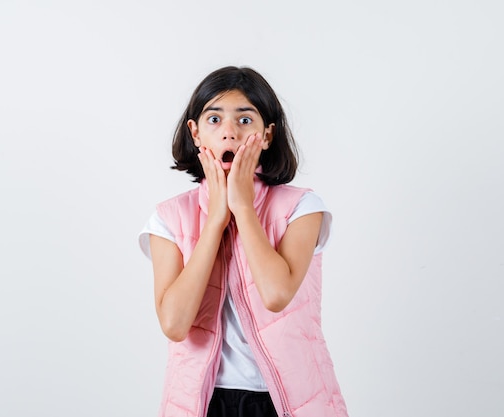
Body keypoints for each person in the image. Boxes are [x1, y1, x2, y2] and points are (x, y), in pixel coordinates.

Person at [138, 66, 348, 417]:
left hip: (288, 402)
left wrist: (243, 208)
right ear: (195, 133)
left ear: (267, 135)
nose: (230, 133)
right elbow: (174, 324)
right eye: (215, 119)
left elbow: (276, 294)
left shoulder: (302, 207)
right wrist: (215, 220)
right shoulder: (168, 218)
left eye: (245, 120)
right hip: (203, 404)